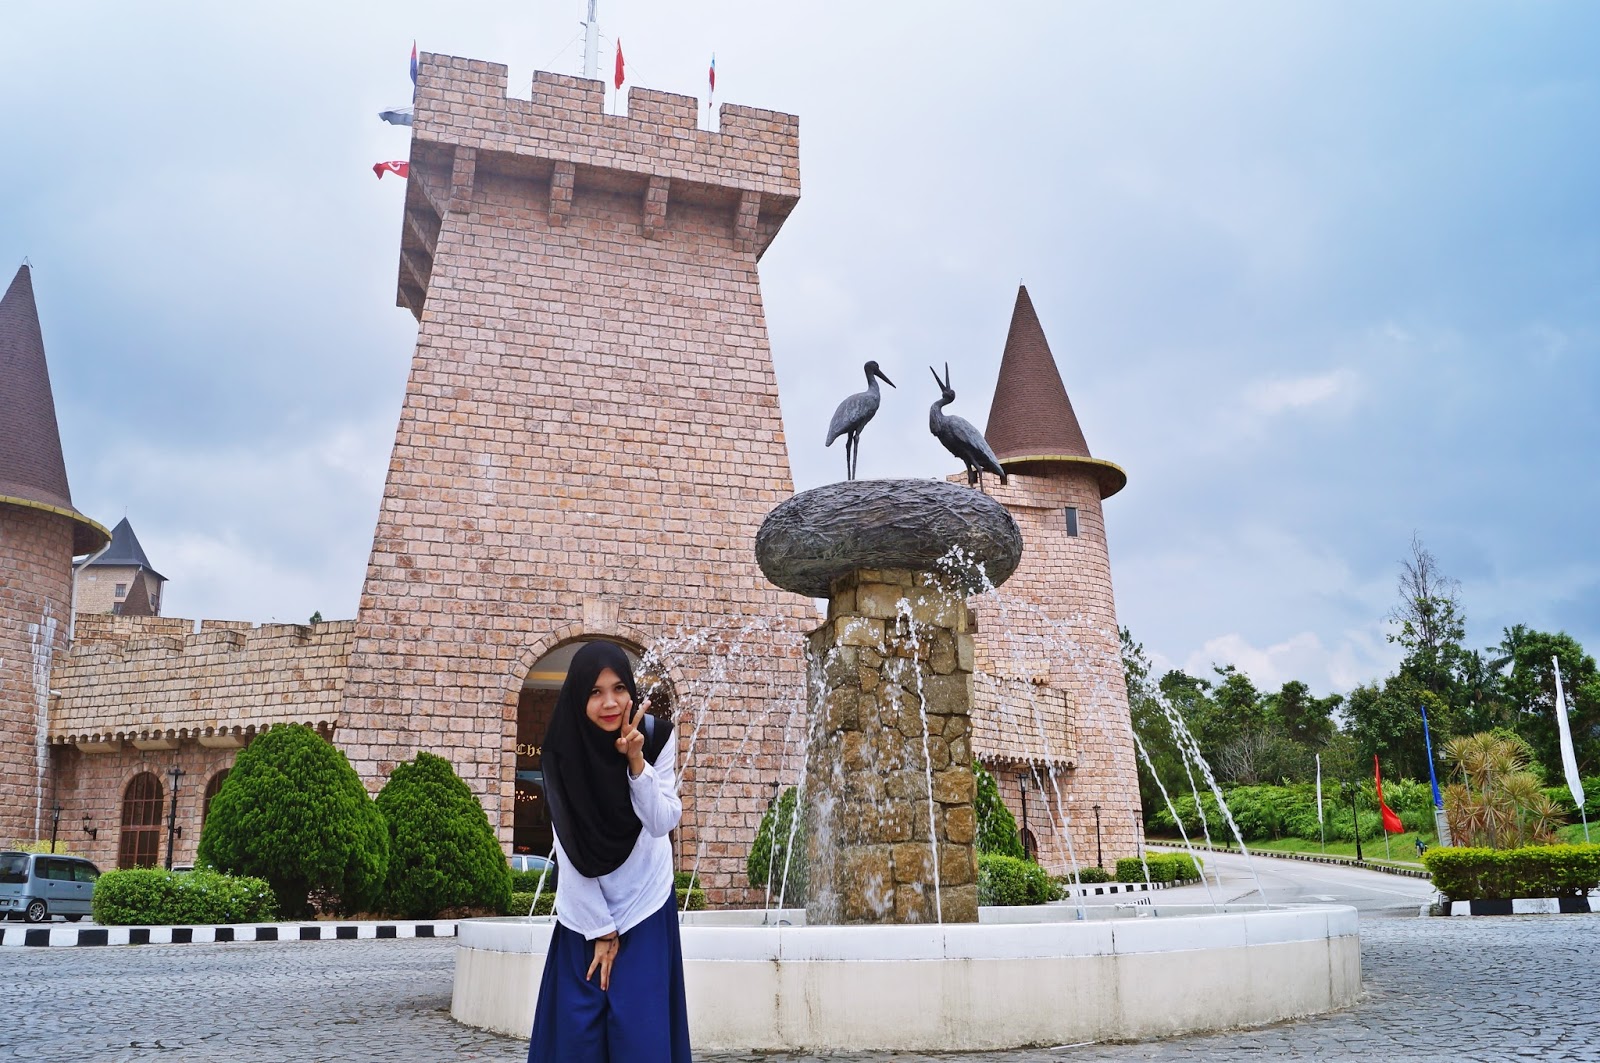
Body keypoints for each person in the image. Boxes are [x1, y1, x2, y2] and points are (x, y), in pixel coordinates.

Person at [527, 640, 691, 1062]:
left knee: (640, 1033)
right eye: (595, 692)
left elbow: (662, 821)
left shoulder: (656, 739)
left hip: (646, 904)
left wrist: (637, 763)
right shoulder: (563, 750)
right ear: (580, 696)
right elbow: (569, 846)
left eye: (619, 689)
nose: (610, 703)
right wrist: (600, 929)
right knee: (578, 1034)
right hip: (586, 913)